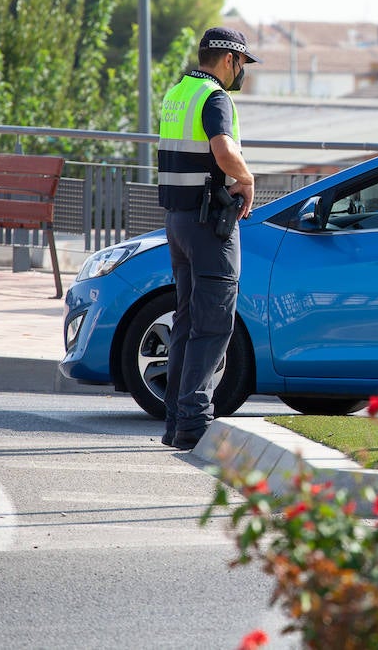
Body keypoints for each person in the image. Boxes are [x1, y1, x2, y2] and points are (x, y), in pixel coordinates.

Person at [157, 26, 258, 450]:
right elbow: (222, 149)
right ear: (230, 59)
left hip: (177, 221)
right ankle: (195, 423)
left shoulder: (177, 93)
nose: (241, 73)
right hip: (208, 224)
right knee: (214, 323)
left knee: (186, 322)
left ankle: (175, 424)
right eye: (242, 64)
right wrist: (247, 178)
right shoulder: (216, 98)